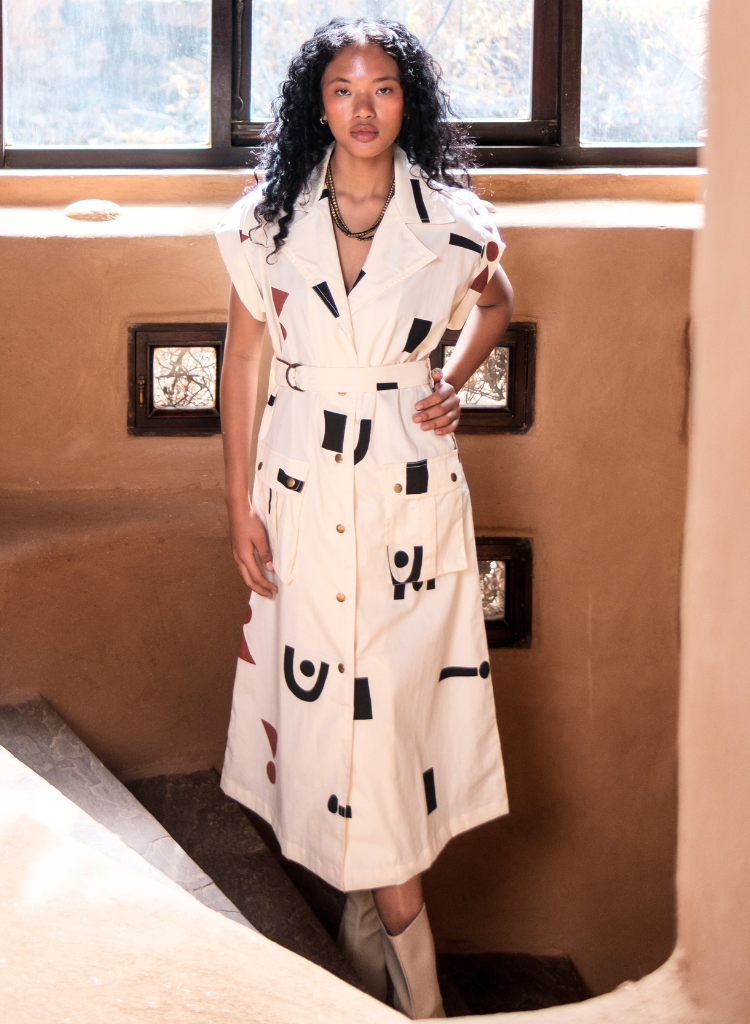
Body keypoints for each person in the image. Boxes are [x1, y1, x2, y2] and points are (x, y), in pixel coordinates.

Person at [215, 17, 514, 1019]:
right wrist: (237, 505)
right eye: (343, 90)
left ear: (406, 102)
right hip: (301, 489)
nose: (363, 108)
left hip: (406, 498)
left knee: (386, 726)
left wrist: (452, 379)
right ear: (318, 105)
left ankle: (413, 989)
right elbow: (244, 361)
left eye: (382, 88)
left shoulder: (452, 223)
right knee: (327, 721)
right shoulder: (266, 225)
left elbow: (497, 302)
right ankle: (372, 934)